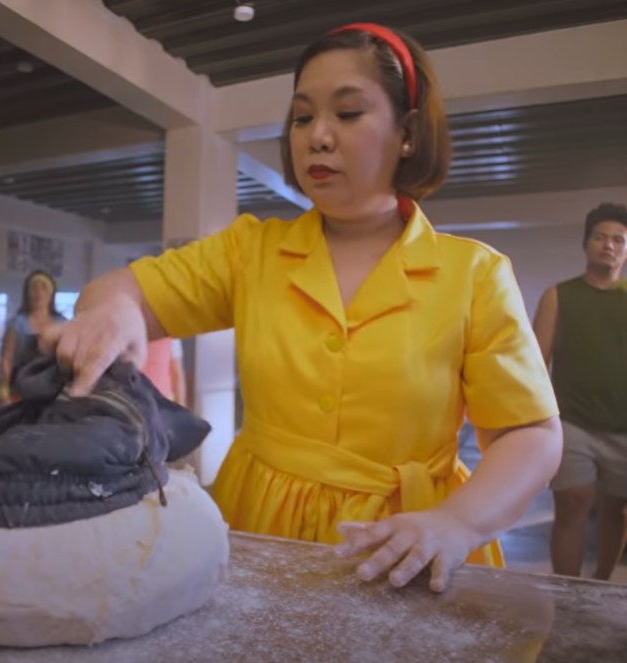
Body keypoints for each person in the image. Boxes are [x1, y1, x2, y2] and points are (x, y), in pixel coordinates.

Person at [44, 23, 562, 592]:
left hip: (410, 542)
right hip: (257, 528)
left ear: (408, 132)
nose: (317, 136)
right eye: (301, 116)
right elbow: (125, 291)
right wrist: (114, 309)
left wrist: (457, 523)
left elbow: (531, 435)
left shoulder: (474, 274)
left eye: (347, 114)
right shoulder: (251, 251)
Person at [532, 202, 627, 581]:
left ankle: (602, 583)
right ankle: (568, 596)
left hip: (623, 425)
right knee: (573, 501)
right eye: (600, 237)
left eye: (618, 239)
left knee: (616, 509)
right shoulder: (559, 295)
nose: (609, 245)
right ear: (586, 243)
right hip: (572, 420)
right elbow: (536, 364)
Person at [0, 270, 67, 403]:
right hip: (21, 389)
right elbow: (6, 360)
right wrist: (3, 391)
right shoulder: (17, 323)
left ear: (52, 293)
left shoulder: (62, 324)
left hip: (54, 390)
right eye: (34, 288)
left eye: (44, 288)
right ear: (26, 293)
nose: (38, 293)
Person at [140, 337, 187, 406]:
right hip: (135, 400)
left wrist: (181, 403)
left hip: (164, 401)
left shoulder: (171, 335)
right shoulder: (129, 331)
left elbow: (177, 373)